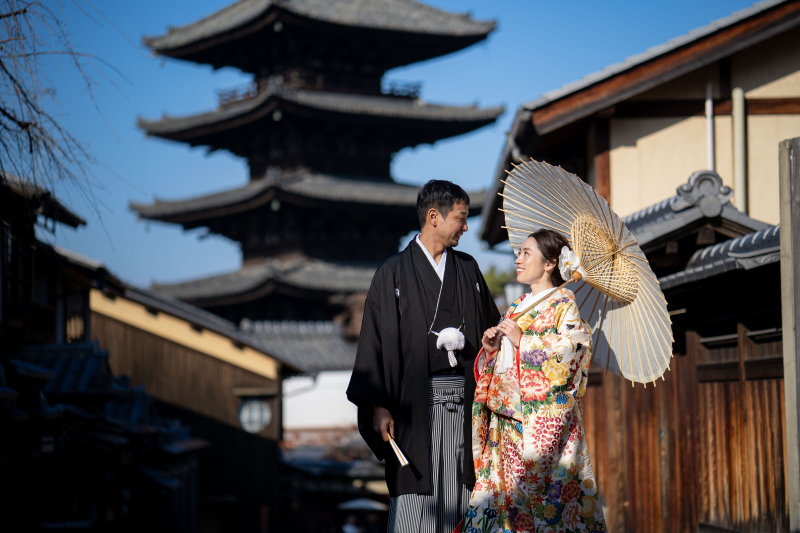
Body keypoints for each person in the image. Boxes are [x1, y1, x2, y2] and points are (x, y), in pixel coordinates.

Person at [347, 180, 501, 532]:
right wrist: (380, 406)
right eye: (461, 218)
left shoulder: (468, 269)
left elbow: (487, 332)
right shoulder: (393, 274)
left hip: (466, 406)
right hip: (412, 410)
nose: (466, 226)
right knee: (416, 496)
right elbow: (377, 342)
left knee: (465, 491)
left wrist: (493, 343)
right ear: (434, 216)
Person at [459, 229, 607, 532]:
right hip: (505, 429)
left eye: (527, 253)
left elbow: (569, 355)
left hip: (537, 427)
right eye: (519, 252)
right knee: (501, 508)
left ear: (550, 263)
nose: (518, 259)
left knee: (539, 510)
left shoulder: (564, 304)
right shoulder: (517, 305)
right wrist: (491, 351)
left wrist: (523, 341)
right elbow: (501, 365)